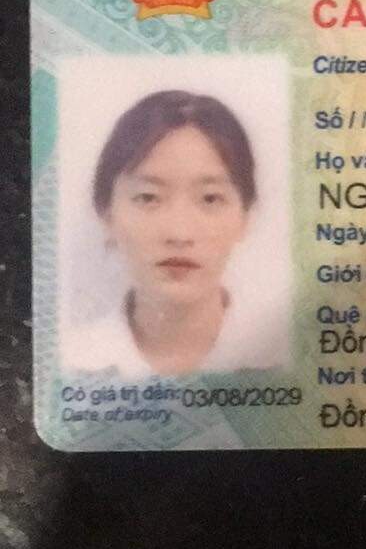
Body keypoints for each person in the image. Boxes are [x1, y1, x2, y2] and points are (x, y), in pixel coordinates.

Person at [64, 89, 280, 377]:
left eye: (210, 198)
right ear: (106, 213)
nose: (179, 233)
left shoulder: (282, 358)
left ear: (245, 216)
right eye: (148, 197)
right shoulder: (68, 364)